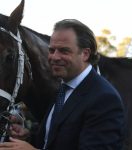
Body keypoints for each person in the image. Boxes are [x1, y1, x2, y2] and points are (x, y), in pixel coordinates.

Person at [0, 19, 125, 150]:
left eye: (64, 51)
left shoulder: (104, 99)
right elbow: (54, 142)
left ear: (85, 54)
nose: (54, 57)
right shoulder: (62, 90)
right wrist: (28, 138)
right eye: (52, 50)